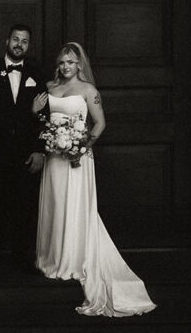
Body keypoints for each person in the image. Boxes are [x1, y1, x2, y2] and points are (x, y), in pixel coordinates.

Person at [32, 42, 156, 317]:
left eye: (71, 62)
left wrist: (81, 145)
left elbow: (100, 123)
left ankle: (73, 259)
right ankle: (52, 258)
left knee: (74, 207)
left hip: (77, 159)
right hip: (54, 158)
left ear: (79, 65)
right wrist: (35, 113)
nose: (65, 67)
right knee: (55, 204)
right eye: (62, 62)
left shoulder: (89, 91)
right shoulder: (49, 88)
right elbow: (41, 123)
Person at [0, 23, 48, 281]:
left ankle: (20, 259)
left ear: (29, 46)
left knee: (24, 211)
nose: (19, 45)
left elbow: (45, 116)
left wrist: (39, 151)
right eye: (16, 39)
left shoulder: (37, 73)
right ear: (6, 41)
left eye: (24, 41)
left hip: (26, 156)